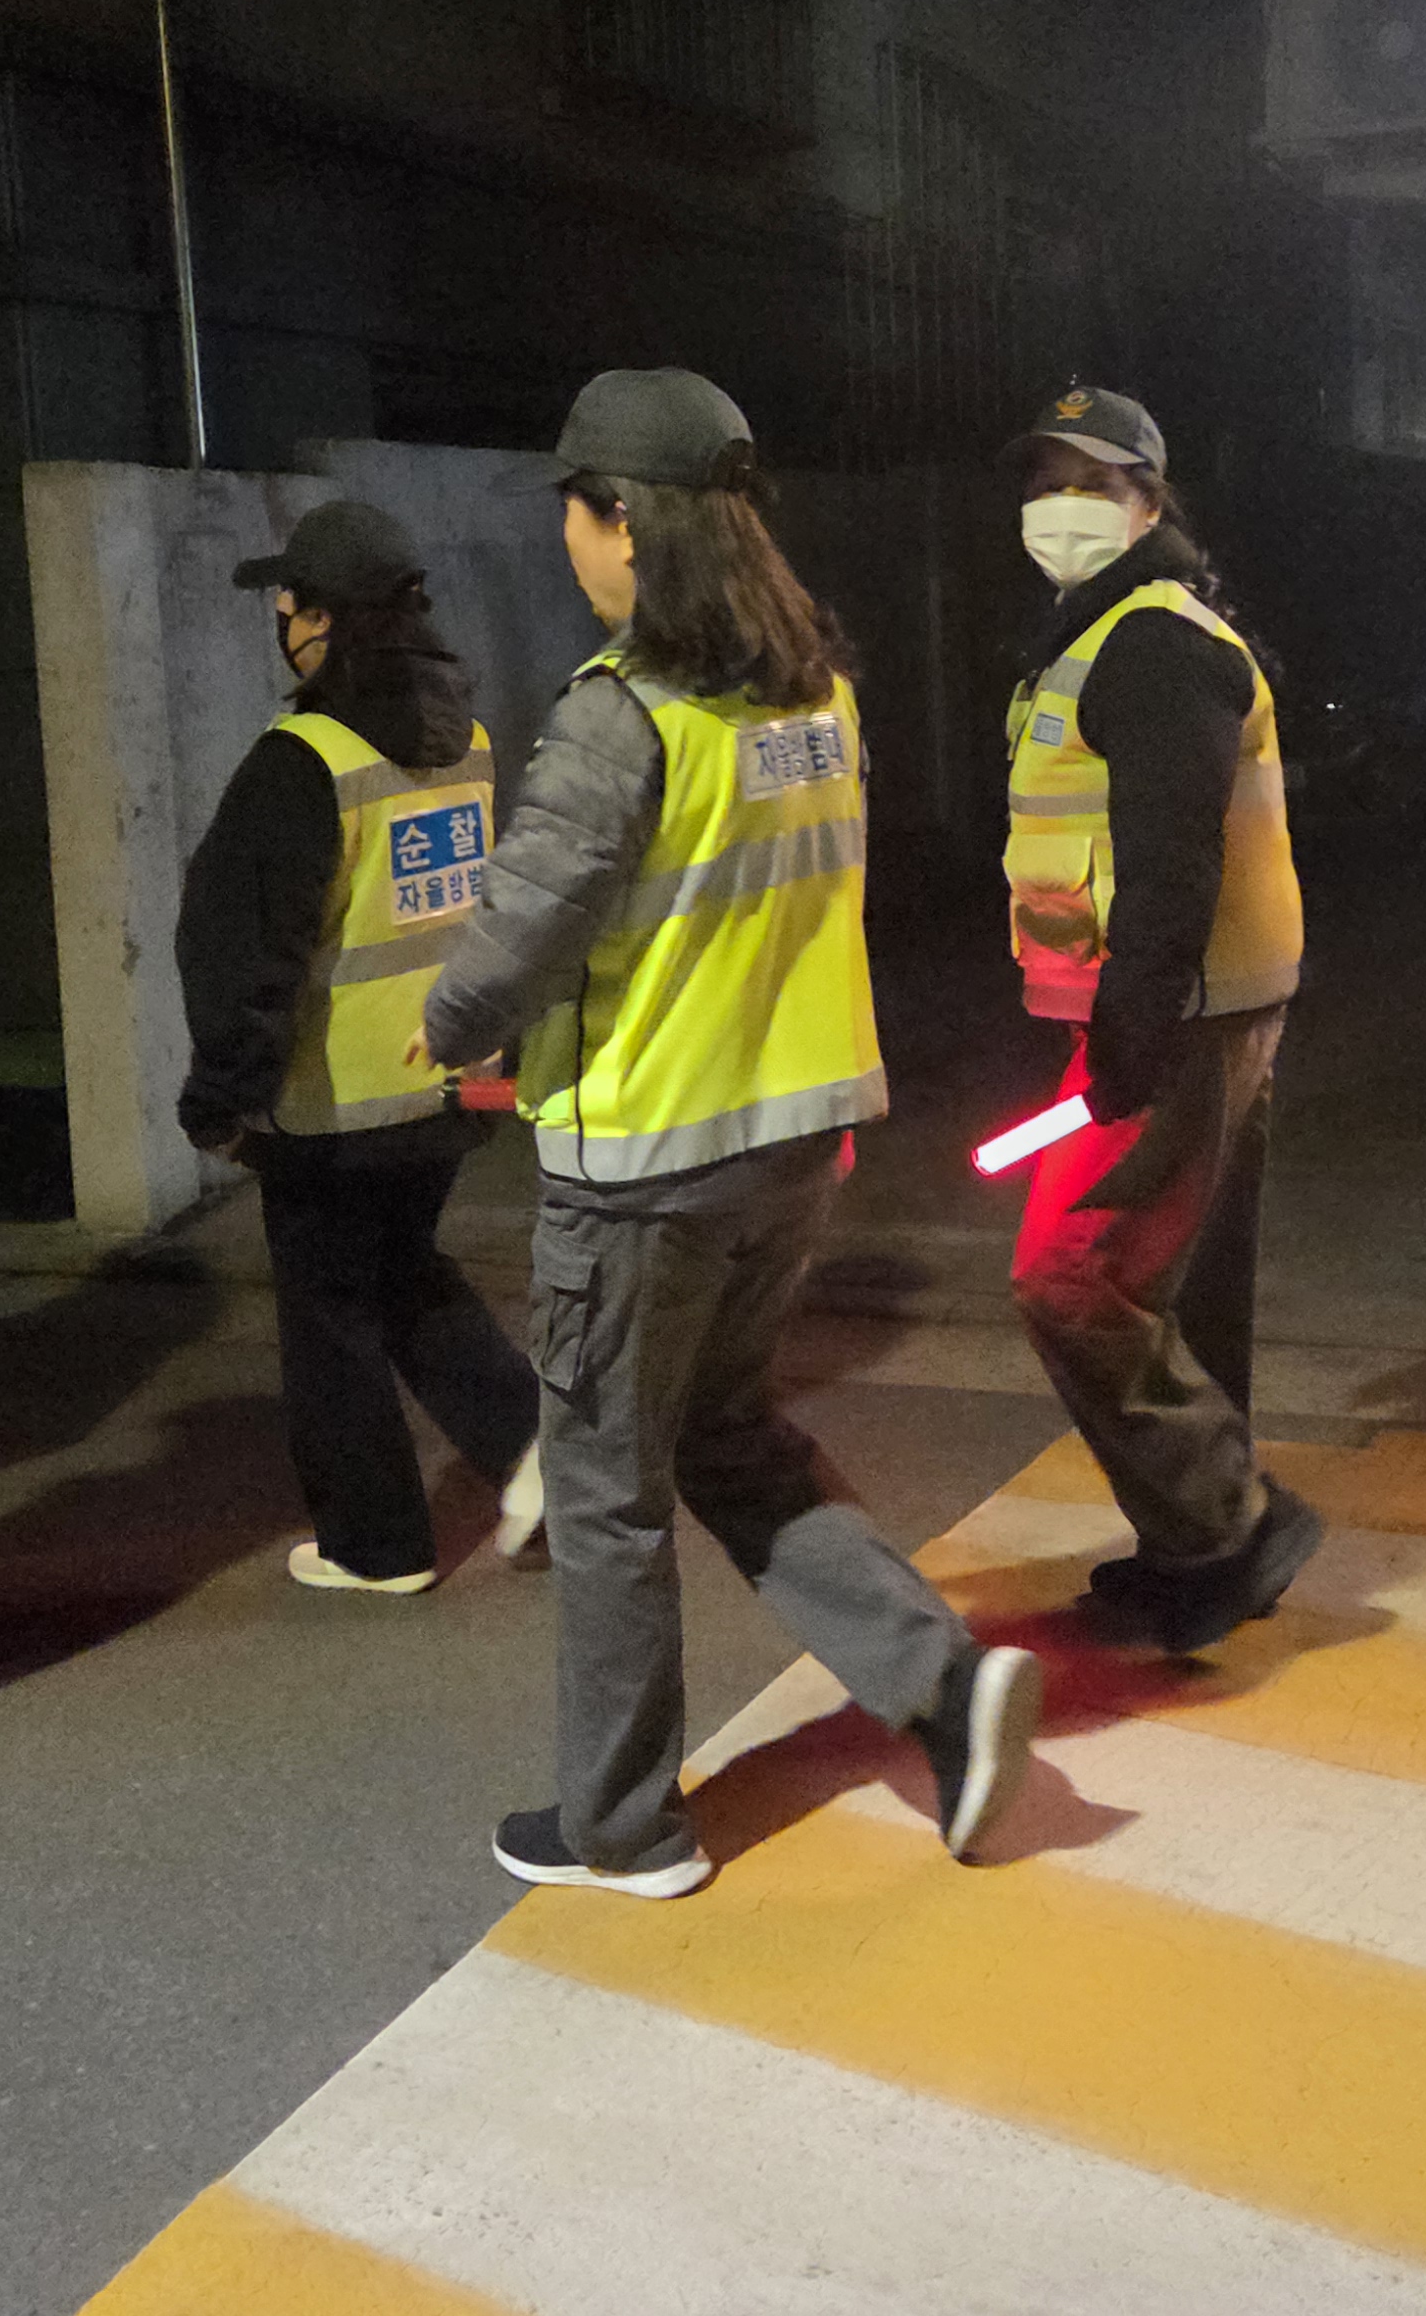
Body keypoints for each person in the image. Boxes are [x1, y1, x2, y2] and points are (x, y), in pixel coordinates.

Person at [420, 369, 1038, 1898]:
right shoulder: (815, 697)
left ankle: (622, 1826)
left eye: (574, 510)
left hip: (645, 1161)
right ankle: (947, 1688)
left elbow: (526, 927)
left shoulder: (622, 713)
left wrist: (446, 1022)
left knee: (608, 1494)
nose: (567, 537)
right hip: (793, 1145)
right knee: (730, 1435)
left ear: (622, 520)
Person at [999, 388, 1324, 1652]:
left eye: (1089, 482)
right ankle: (1200, 1553)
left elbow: (1171, 856)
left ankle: (1231, 1521)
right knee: (1170, 1286)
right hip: (1186, 1003)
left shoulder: (1149, 641)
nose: (1057, 506)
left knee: (1068, 1275)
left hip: (1176, 1014)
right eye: (1042, 481)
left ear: (1148, 498)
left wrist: (1129, 1034)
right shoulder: (1111, 629)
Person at [177, 496, 544, 1595]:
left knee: (329, 1319)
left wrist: (223, 1098)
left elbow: (246, 949)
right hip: (443, 1082)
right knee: (406, 1277)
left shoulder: (302, 759)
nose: (280, 622)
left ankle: (375, 1546)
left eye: (288, 604)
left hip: (331, 1101)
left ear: (325, 619)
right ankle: (539, 1451)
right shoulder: (467, 740)